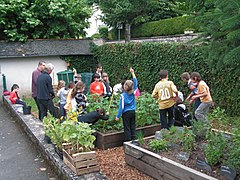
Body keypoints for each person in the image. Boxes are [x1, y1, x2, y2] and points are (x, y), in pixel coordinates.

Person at [115, 68, 138, 141]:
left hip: (126, 113)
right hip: (133, 111)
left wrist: (118, 116)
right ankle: (134, 139)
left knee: (127, 127)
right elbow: (135, 81)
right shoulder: (134, 91)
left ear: (124, 87)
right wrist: (132, 73)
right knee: (133, 126)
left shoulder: (123, 96)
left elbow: (121, 107)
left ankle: (128, 141)